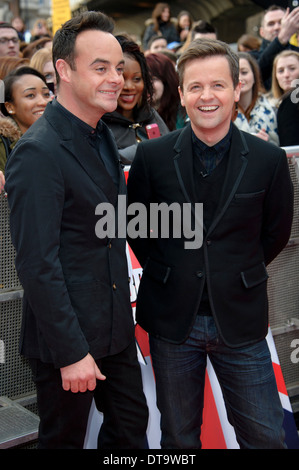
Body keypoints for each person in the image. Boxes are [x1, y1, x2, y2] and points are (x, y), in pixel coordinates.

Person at [127, 38, 293, 449]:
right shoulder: (151, 156)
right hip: (171, 320)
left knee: (265, 436)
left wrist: (234, 269)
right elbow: (139, 229)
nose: (207, 96)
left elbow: (276, 233)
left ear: (237, 89)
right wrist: (174, 272)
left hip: (240, 317)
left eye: (218, 85)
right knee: (179, 438)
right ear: (181, 94)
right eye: (196, 87)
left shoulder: (269, 160)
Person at [4, 11, 148, 449]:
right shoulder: (38, 152)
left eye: (118, 68)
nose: (116, 80)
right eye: (100, 68)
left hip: (114, 330)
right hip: (66, 340)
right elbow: (37, 264)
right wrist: (71, 354)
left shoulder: (102, 132)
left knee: (131, 431)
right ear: (63, 71)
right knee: (62, 442)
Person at [102, 35, 168, 164]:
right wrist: (147, 149)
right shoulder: (98, 123)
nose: (129, 87)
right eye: (121, 77)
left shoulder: (150, 114)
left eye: (137, 79)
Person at [0, 66, 51, 174]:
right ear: (10, 107)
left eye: (46, 94)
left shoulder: (61, 137)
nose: (42, 102)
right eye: (30, 95)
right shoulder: (3, 144)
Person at [234, 52, 279, 145]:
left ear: (254, 76)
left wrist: (265, 144)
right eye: (235, 74)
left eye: (244, 72)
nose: (239, 78)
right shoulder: (222, 112)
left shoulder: (274, 107)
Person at [251, 5, 299, 90]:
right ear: (262, 32)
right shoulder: (251, 57)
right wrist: (281, 38)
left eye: (281, 22)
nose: (277, 27)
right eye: (271, 24)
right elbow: (255, 74)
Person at [145, 52, 185, 130]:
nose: (147, 85)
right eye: (142, 79)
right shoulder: (137, 115)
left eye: (153, 79)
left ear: (167, 81)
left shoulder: (183, 114)